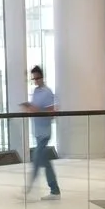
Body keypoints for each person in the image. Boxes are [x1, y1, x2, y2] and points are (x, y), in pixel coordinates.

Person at [22, 65, 61, 198]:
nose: (36, 81)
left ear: (42, 77)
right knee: (45, 163)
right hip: (38, 133)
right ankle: (54, 190)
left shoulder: (47, 92)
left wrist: (35, 109)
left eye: (38, 78)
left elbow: (51, 113)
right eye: (34, 78)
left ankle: (30, 190)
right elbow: (36, 110)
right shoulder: (35, 92)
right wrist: (30, 108)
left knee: (36, 161)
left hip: (45, 133)